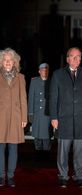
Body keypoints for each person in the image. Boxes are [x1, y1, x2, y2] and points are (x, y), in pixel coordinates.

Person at [0, 48, 27, 187]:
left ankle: (10, 176)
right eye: (5, 60)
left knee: (13, 148)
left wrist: (24, 118)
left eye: (10, 60)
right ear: (1, 62)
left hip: (16, 116)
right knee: (0, 147)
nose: (8, 62)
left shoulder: (21, 77)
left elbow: (23, 99)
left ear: (14, 62)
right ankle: (1, 176)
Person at [50, 47, 82, 188]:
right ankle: (63, 176)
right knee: (62, 152)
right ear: (68, 59)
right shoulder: (58, 75)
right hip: (63, 120)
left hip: (80, 120)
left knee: (79, 152)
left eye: (78, 57)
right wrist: (54, 117)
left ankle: (79, 175)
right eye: (73, 57)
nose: (76, 60)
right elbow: (53, 98)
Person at [28, 63, 52, 160]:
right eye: (42, 70)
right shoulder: (34, 81)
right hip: (37, 113)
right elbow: (31, 98)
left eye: (46, 70)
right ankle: (38, 156)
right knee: (37, 136)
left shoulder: (52, 81)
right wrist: (30, 113)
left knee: (47, 136)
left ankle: (46, 157)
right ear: (39, 71)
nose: (44, 71)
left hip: (48, 113)